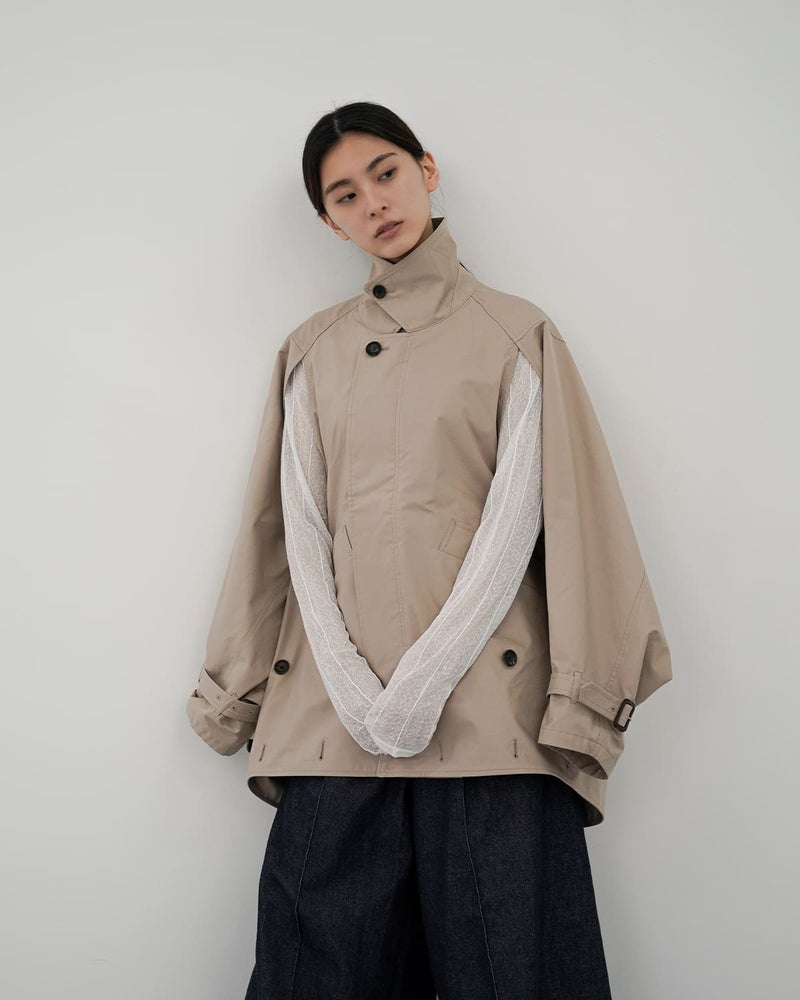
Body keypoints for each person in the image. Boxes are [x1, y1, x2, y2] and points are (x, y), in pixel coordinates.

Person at [186, 100, 673, 1000]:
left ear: (427, 170)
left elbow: (566, 520)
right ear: (327, 221)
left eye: (386, 172)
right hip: (332, 731)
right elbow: (285, 534)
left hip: (496, 731)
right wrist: (244, 690)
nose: (374, 201)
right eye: (345, 194)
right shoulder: (310, 353)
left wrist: (575, 701)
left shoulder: (518, 334)